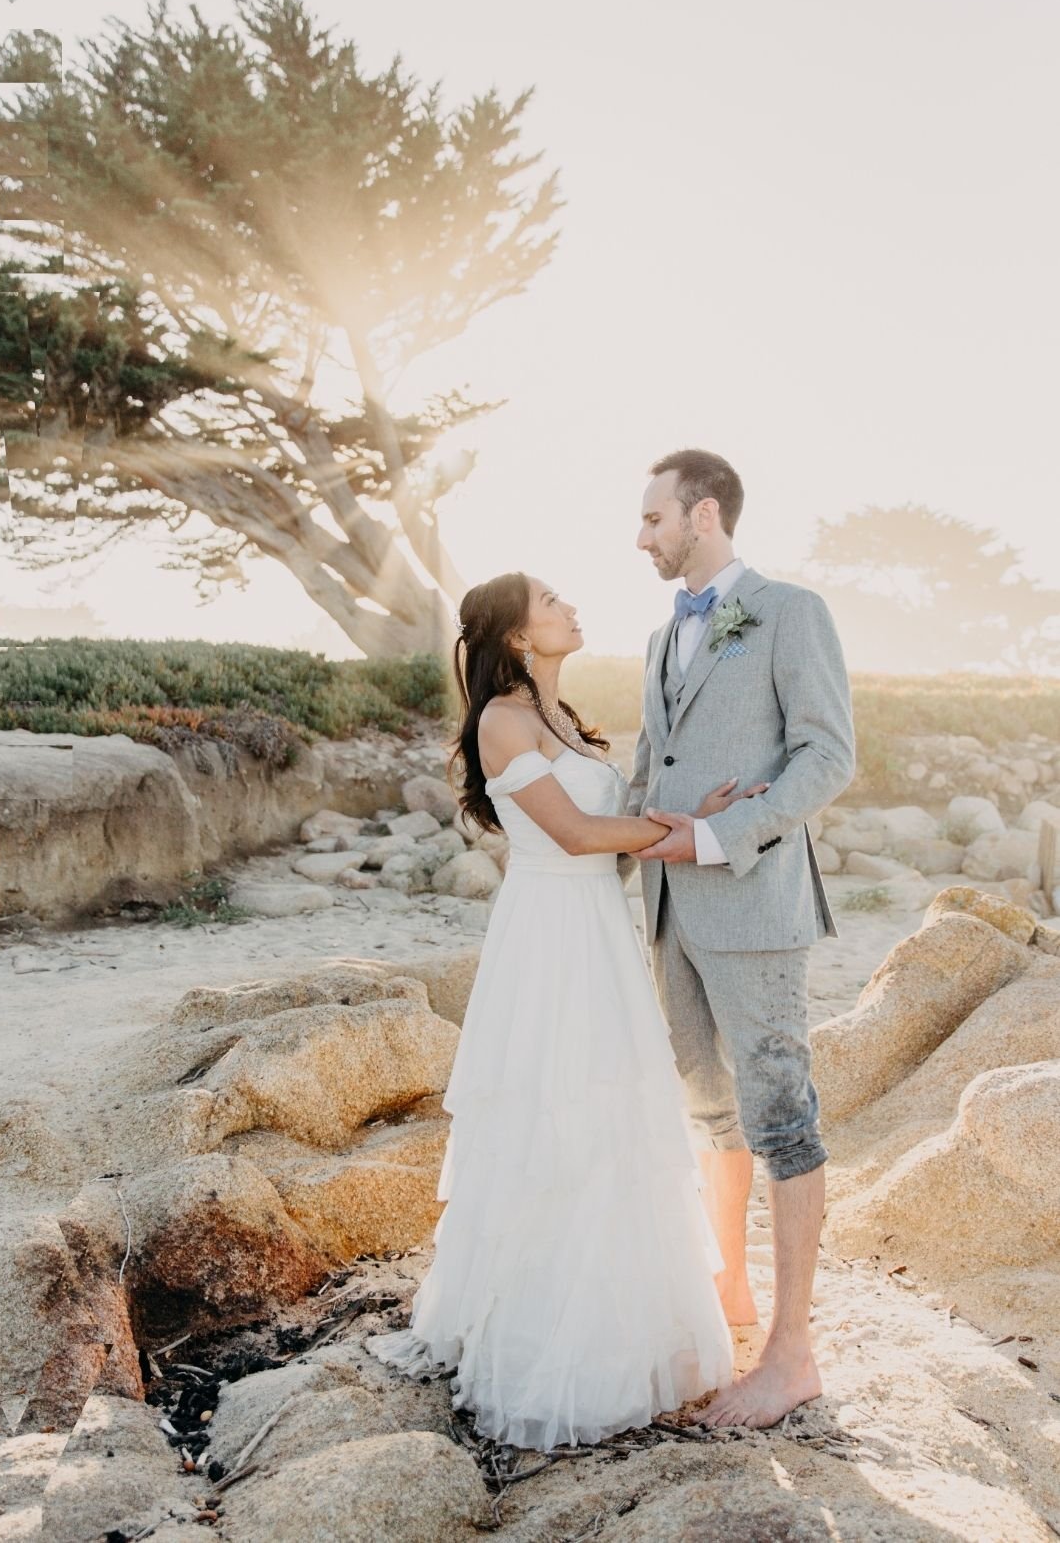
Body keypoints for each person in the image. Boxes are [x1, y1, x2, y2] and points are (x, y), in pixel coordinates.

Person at [366, 570, 762, 1450]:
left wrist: (689, 815)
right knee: (555, 1119)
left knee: (615, 1113)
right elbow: (579, 837)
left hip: (596, 928)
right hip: (548, 937)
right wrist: (688, 834)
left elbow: (608, 847)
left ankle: (628, 1324)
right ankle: (547, 1338)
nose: (570, 607)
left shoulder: (566, 720)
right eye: (550, 602)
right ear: (515, 635)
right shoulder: (502, 720)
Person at [628, 448, 855, 1429]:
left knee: (779, 1116)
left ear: (703, 513)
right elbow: (651, 767)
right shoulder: (655, 638)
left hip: (753, 901)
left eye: (651, 518)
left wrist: (718, 834)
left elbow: (827, 755)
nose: (639, 536)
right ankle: (729, 1303)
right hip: (670, 913)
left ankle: (791, 1354)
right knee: (712, 1117)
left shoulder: (789, 610)